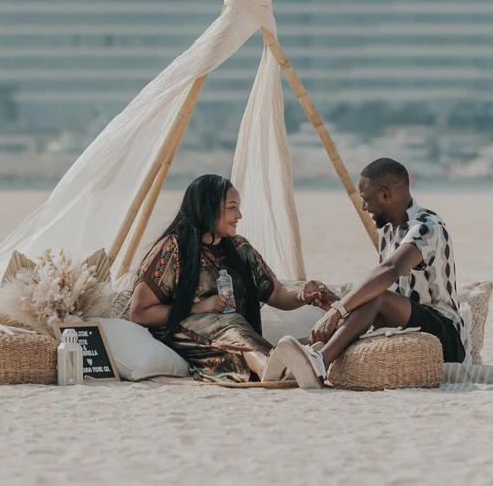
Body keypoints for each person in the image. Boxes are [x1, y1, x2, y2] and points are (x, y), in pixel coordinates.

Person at [268, 157, 465, 389]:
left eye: (366, 199)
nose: (364, 207)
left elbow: (389, 272)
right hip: (404, 322)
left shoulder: (426, 227)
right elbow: (388, 294)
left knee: (375, 296)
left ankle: (320, 363)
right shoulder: (388, 232)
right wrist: (340, 304)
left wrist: (338, 311)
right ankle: (284, 358)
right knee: (306, 341)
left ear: (385, 195)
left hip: (444, 334)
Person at [128, 173, 335, 384]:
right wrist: (198, 308)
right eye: (232, 208)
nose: (239, 216)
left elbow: (276, 292)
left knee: (234, 338)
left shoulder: (240, 248)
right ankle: (267, 368)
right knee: (231, 322)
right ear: (208, 208)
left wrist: (302, 295)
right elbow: (138, 313)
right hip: (185, 336)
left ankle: (278, 363)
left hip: (231, 339)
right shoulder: (173, 248)